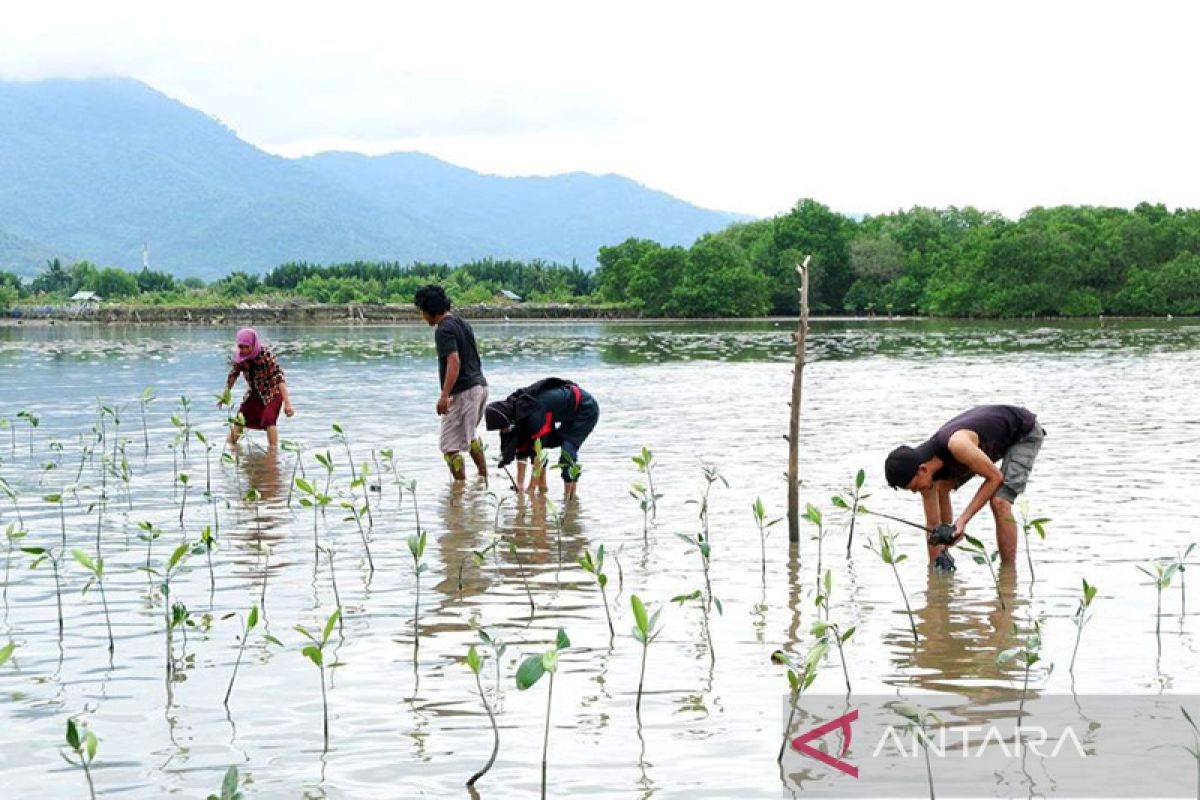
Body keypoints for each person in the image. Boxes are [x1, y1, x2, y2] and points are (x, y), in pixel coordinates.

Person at [884, 404, 1045, 568]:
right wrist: (936, 563)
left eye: (914, 487)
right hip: (989, 443)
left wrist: (962, 522)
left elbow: (995, 478)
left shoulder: (957, 445)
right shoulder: (926, 476)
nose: (915, 492)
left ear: (922, 470)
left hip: (1023, 433)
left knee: (999, 502)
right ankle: (944, 557)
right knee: (941, 488)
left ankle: (1008, 575)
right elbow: (933, 525)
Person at [414, 284, 488, 481]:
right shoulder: (462, 323)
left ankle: (460, 487)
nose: (422, 316)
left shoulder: (443, 329)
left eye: (422, 311)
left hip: (464, 391)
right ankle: (483, 478)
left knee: (449, 446)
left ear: (430, 310)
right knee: (469, 435)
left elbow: (454, 360)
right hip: (479, 386)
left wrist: (445, 395)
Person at [485, 377, 599, 499]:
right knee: (528, 440)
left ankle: (570, 499)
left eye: (503, 428)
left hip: (585, 410)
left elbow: (538, 449)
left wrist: (531, 489)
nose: (503, 431)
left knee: (567, 451)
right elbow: (522, 447)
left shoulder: (533, 412)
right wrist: (520, 485)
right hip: (565, 412)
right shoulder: (518, 409)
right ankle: (543, 486)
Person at [220, 327, 294, 449]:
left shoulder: (266, 355)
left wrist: (287, 402)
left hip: (272, 391)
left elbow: (279, 378)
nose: (243, 350)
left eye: (246, 347)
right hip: (254, 392)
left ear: (253, 345)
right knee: (240, 419)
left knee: (269, 420)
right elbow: (233, 375)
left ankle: (273, 453)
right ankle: (229, 448)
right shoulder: (240, 357)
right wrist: (225, 394)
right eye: (241, 347)